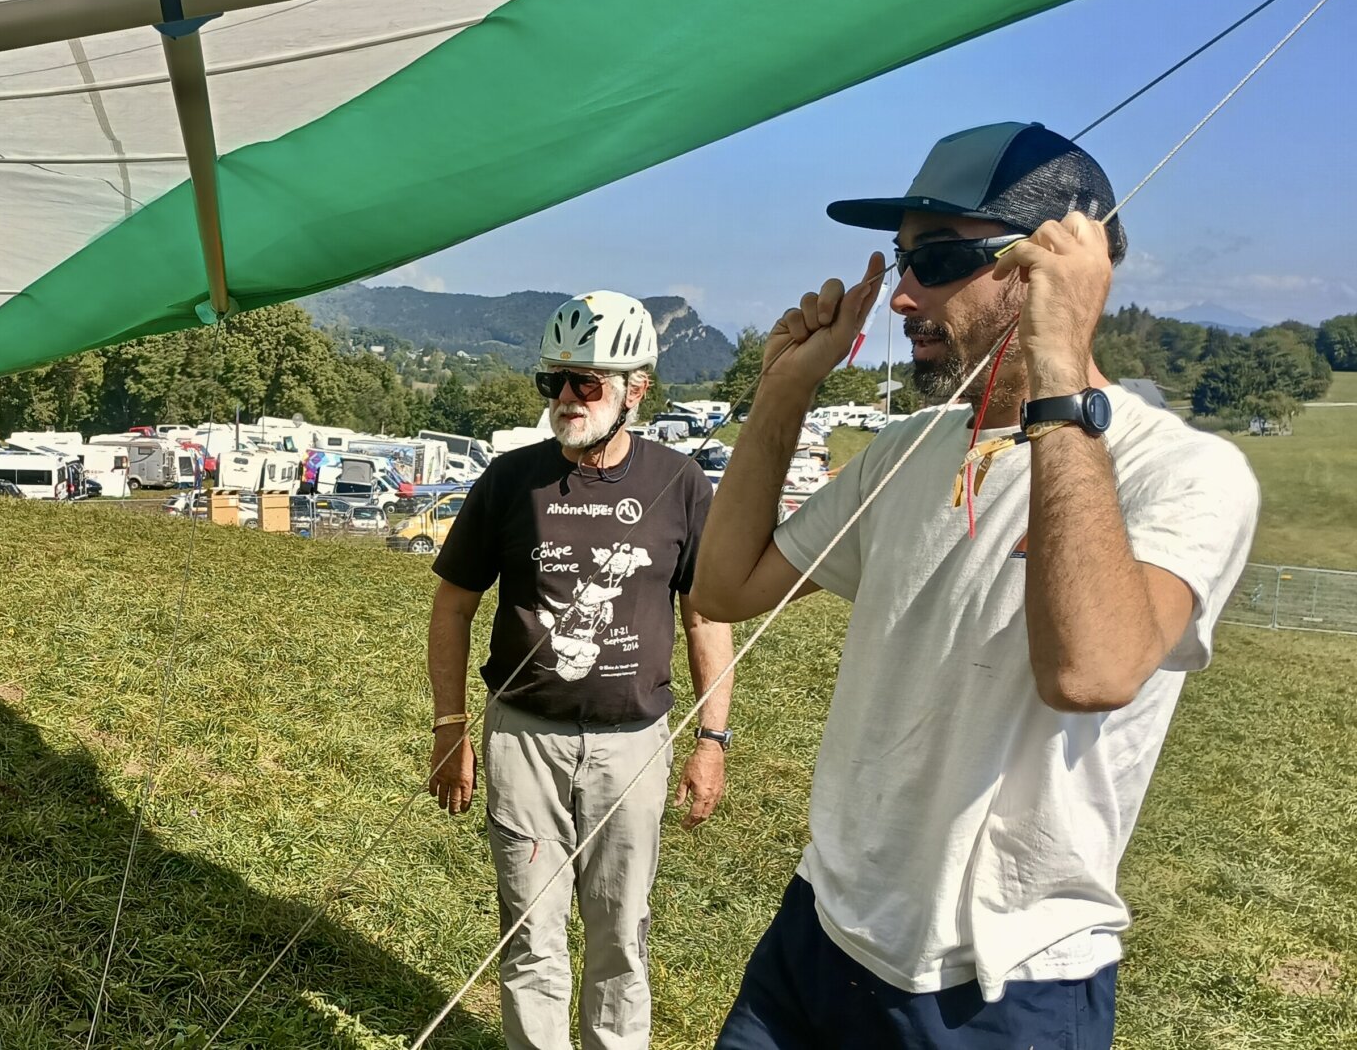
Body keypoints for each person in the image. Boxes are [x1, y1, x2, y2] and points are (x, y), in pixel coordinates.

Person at [689, 122, 1260, 1048]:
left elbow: (1091, 671)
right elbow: (725, 588)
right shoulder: (905, 451)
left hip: (999, 986)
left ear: (1052, 266)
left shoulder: (1182, 471)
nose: (902, 294)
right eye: (902, 258)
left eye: (941, 258)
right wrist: (784, 391)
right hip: (821, 931)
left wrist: (1059, 369)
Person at [428, 292, 736, 1050]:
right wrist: (449, 727)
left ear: (637, 389)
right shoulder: (510, 479)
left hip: (633, 747)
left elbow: (705, 618)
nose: (566, 397)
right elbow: (454, 606)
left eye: (586, 382)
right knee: (531, 935)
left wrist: (712, 740)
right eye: (554, 381)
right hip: (524, 740)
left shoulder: (680, 482)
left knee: (621, 935)